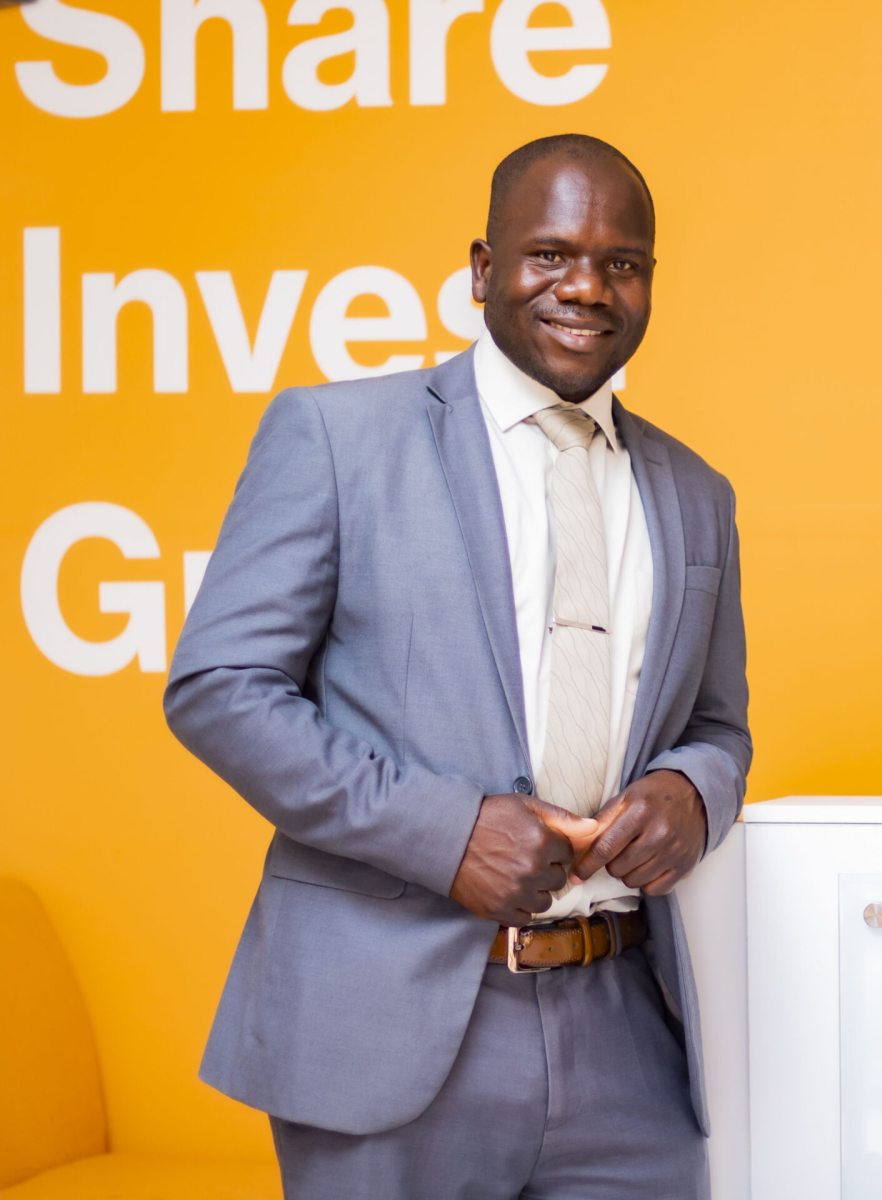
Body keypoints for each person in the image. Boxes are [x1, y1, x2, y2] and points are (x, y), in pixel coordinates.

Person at [164, 133, 751, 1200]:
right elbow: (220, 689)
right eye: (551, 254)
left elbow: (717, 728)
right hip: (387, 1031)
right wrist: (448, 833)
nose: (587, 287)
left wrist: (693, 795)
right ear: (483, 270)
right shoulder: (337, 438)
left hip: (626, 1028)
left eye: (622, 263)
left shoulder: (697, 492)